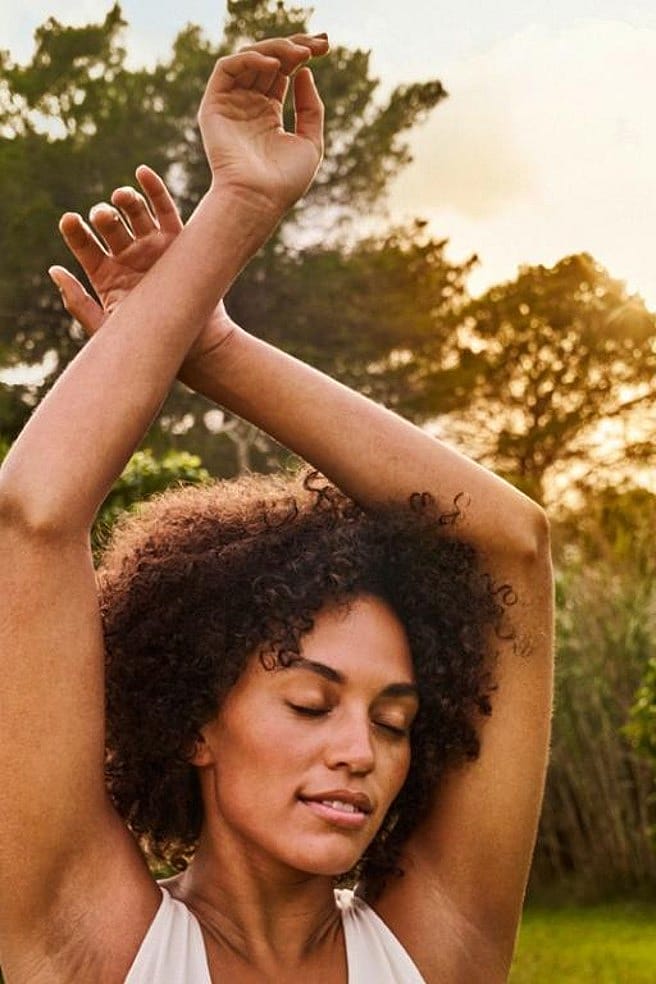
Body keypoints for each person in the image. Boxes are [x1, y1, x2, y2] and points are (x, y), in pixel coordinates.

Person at [0, 33, 553, 984]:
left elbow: (513, 544)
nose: (359, 753)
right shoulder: (92, 945)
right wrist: (241, 207)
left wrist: (212, 345)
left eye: (394, 722)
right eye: (310, 702)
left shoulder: (436, 947)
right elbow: (35, 516)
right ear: (195, 726)